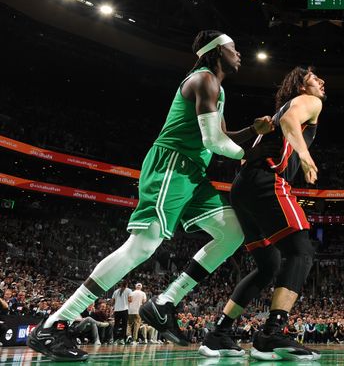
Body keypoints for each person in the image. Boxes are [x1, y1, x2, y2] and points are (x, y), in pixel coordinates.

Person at [28, 31, 272, 361]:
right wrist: (251, 154)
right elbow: (214, 142)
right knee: (141, 246)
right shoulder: (204, 80)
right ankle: (56, 324)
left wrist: (253, 133)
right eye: (233, 47)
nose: (238, 53)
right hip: (171, 165)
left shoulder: (217, 88)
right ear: (216, 52)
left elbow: (219, 135)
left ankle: (165, 302)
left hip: (192, 173)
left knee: (232, 232)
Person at [200, 66, 326, 361]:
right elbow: (292, 122)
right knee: (301, 250)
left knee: (268, 265)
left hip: (242, 185)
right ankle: (272, 333)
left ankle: (219, 333)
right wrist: (306, 158)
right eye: (313, 78)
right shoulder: (308, 102)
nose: (321, 82)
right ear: (300, 85)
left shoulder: (280, 110)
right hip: (266, 179)